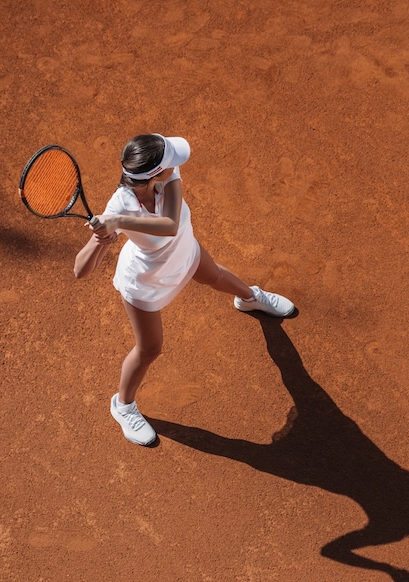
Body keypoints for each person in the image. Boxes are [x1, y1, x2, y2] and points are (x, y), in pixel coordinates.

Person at [73, 133, 295, 446]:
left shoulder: (166, 178)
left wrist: (118, 222)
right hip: (146, 283)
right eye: (170, 161)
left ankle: (250, 298)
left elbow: (171, 225)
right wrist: (99, 241)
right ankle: (123, 406)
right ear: (151, 174)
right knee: (150, 349)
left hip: (185, 252)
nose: (176, 164)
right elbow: (80, 271)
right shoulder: (119, 205)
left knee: (216, 275)